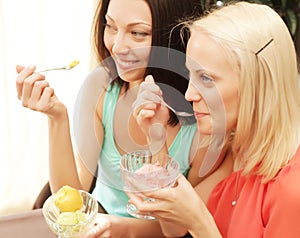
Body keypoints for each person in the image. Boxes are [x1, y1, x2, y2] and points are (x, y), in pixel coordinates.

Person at [15, 0, 226, 237]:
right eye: (111, 26)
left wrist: (118, 227)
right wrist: (57, 117)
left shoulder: (205, 122)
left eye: (137, 33)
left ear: (173, 37)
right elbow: (73, 197)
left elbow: (179, 227)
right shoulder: (102, 88)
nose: (117, 47)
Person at [130, 1, 300, 237]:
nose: (189, 94)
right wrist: (157, 138)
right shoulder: (236, 152)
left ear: (257, 85)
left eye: (207, 79)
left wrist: (200, 224)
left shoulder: (292, 190)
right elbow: (174, 228)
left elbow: (189, 223)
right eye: (191, 75)